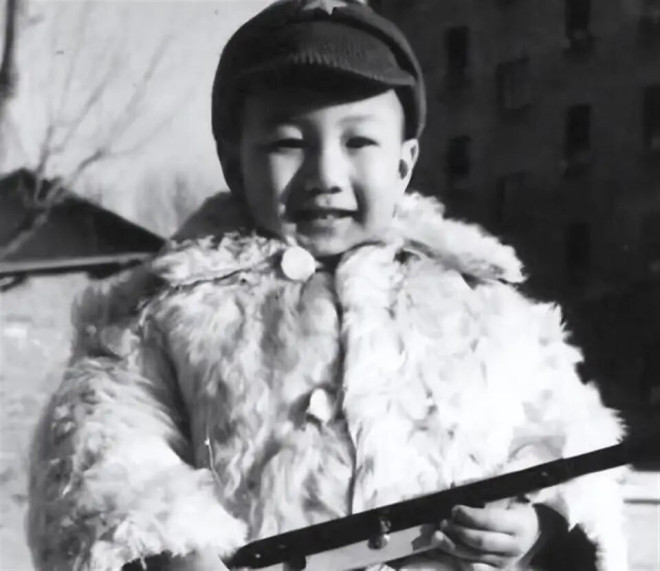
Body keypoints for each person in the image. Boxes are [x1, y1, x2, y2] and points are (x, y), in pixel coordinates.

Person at [26, 1, 628, 570]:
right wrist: (175, 550)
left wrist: (538, 529)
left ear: (404, 162)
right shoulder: (167, 309)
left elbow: (569, 442)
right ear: (235, 162)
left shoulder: (482, 305)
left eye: (359, 142)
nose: (325, 174)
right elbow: (98, 447)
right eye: (288, 144)